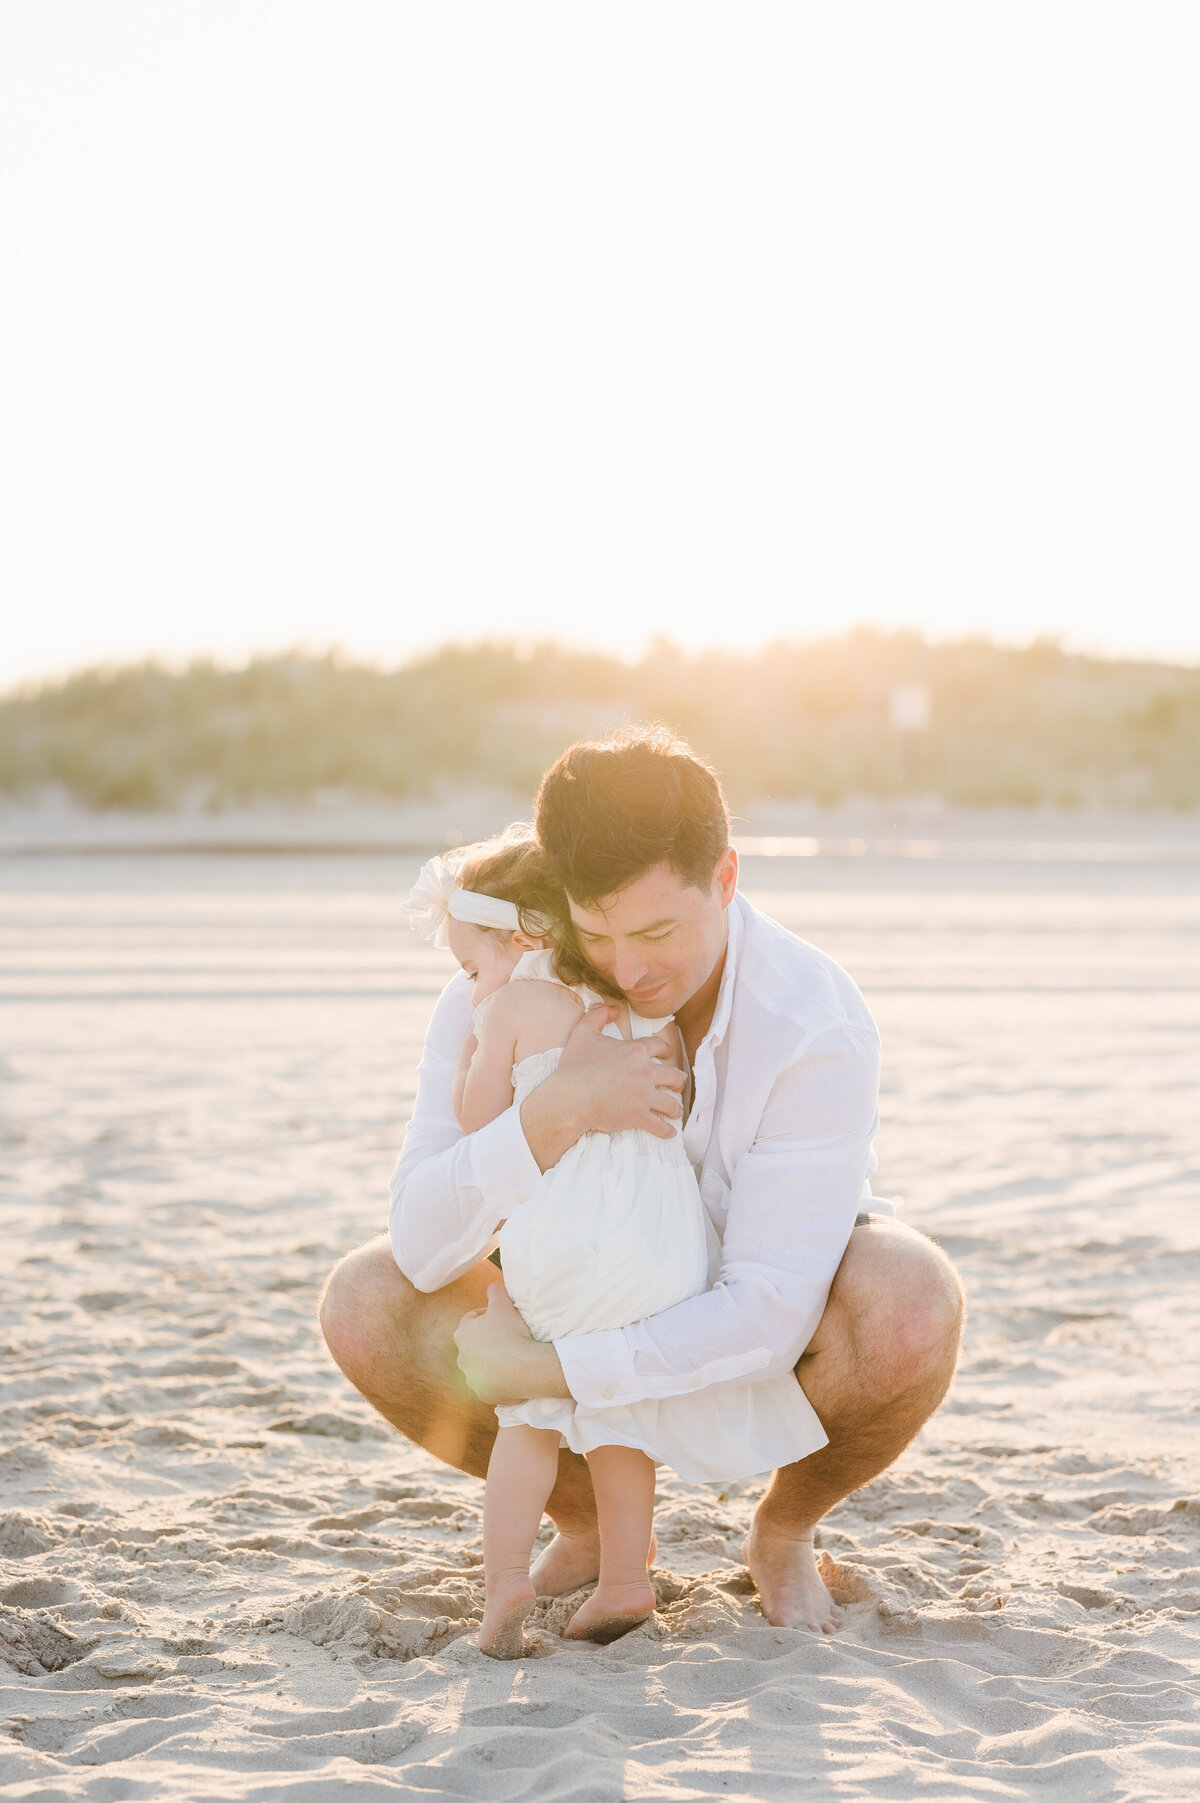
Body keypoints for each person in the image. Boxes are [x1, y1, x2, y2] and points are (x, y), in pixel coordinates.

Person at [319, 725, 964, 1635]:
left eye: (659, 930)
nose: (628, 969)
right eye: (598, 932)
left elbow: (773, 1306)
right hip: (572, 1290)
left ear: (727, 879)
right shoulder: (501, 994)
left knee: (911, 1300)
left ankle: (781, 1534)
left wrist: (547, 1369)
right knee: (364, 1300)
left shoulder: (814, 1019)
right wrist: (554, 1112)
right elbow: (423, 1243)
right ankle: (586, 1529)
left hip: (751, 1333)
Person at [404, 826, 829, 1655]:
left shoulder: (512, 1008)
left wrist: (474, 1057)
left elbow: (479, 1118)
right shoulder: (644, 1009)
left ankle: (503, 1584)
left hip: (568, 1242)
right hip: (664, 1250)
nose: (470, 985)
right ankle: (626, 1576)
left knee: (529, 1417)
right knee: (619, 1411)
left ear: (522, 938)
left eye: (471, 965)